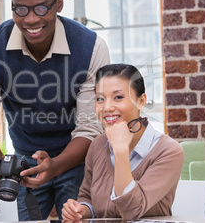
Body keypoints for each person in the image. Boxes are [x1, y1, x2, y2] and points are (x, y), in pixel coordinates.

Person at [0, 0, 110, 220]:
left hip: (78, 158)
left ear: (59, 4)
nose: (31, 19)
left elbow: (90, 127)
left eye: (41, 8)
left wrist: (55, 166)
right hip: (24, 160)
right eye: (20, 9)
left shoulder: (92, 48)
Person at [62, 63, 184, 221]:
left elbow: (132, 212)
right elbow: (87, 197)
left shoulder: (168, 151)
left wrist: (121, 150)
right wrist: (79, 210)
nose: (106, 107)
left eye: (118, 97)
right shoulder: (97, 145)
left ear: (141, 101)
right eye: (100, 99)